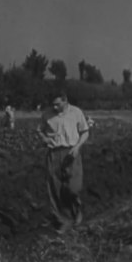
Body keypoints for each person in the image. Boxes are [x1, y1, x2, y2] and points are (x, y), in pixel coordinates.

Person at [37, 90, 90, 233]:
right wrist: (44, 138)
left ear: (65, 100)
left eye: (58, 104)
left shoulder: (76, 112)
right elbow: (40, 130)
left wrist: (78, 147)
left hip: (71, 153)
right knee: (55, 189)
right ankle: (63, 221)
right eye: (53, 105)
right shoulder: (47, 115)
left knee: (73, 187)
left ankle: (76, 209)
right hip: (54, 154)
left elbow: (85, 132)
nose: (54, 107)